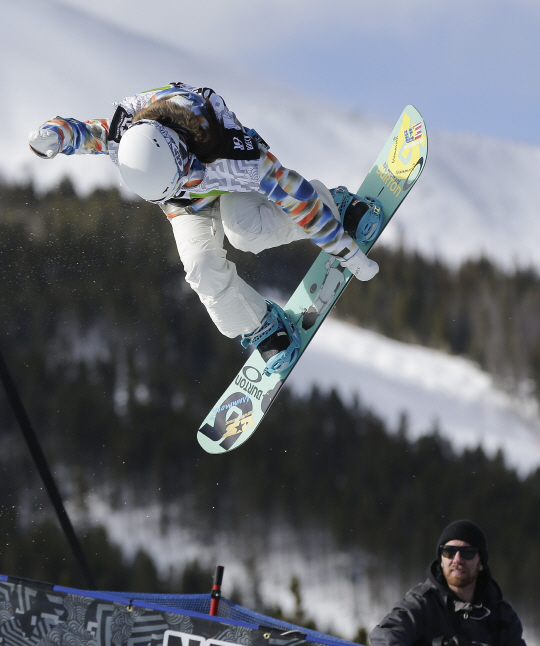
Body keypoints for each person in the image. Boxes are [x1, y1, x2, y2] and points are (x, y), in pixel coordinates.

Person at [28, 82, 379, 375]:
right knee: (200, 268)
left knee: (245, 229)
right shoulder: (129, 133)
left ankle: (336, 203)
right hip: (185, 205)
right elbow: (86, 133)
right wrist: (54, 136)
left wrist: (342, 248)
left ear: (182, 157)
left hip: (221, 181)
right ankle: (261, 325)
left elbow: (293, 194)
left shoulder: (230, 155)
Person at [370, 520, 526, 646]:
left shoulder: (501, 614)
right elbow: (384, 637)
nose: (457, 560)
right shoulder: (421, 603)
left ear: (481, 563)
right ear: (441, 561)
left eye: (468, 552)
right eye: (449, 552)